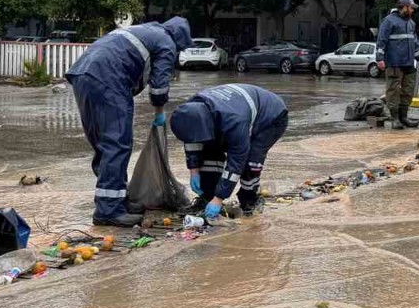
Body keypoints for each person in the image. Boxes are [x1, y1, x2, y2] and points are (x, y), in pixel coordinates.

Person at [66, 17, 193, 226]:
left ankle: (114, 200)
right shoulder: (166, 42)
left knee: (103, 143)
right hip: (109, 78)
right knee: (118, 142)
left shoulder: (145, 30)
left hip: (82, 75)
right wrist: (159, 113)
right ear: (179, 40)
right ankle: (108, 210)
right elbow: (160, 86)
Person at [170, 84, 288, 219]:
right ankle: (207, 197)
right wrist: (194, 170)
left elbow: (237, 160)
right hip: (233, 108)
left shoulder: (235, 122)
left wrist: (219, 198)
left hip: (271, 118)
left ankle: (250, 199)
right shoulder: (190, 110)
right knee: (210, 150)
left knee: (251, 161)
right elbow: (192, 140)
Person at [376, 0, 419, 130]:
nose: (413, 11)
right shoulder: (389, 21)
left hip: (408, 63)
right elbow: (381, 41)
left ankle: (404, 117)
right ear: (404, 7)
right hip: (394, 63)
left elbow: (414, 42)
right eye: (411, 8)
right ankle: (395, 119)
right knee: (393, 91)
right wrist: (379, 58)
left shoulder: (411, 23)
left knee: (408, 90)